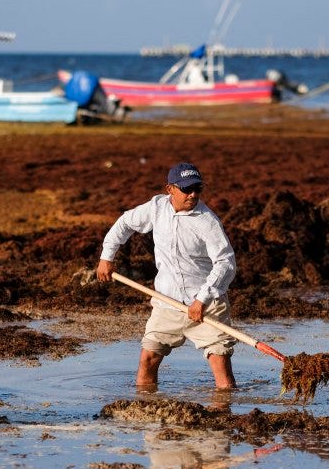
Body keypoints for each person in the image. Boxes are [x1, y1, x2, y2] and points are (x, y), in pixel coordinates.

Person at [96, 162, 237, 390]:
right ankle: (148, 415)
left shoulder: (208, 222)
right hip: (167, 303)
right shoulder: (156, 208)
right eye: (187, 189)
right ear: (170, 189)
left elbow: (226, 263)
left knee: (221, 371)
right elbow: (124, 223)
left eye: (197, 189)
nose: (193, 194)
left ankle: (224, 420)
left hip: (207, 305)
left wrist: (202, 299)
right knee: (147, 361)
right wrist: (107, 257)